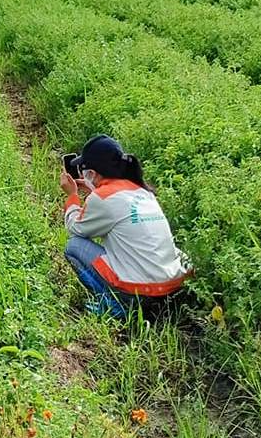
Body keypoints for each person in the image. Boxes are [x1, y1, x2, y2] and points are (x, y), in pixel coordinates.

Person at [60, 135, 190, 319]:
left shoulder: (103, 198)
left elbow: (76, 228)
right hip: (171, 285)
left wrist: (72, 196)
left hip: (141, 289)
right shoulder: (142, 190)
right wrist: (93, 190)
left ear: (92, 173)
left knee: (74, 246)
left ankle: (117, 306)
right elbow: (116, 208)